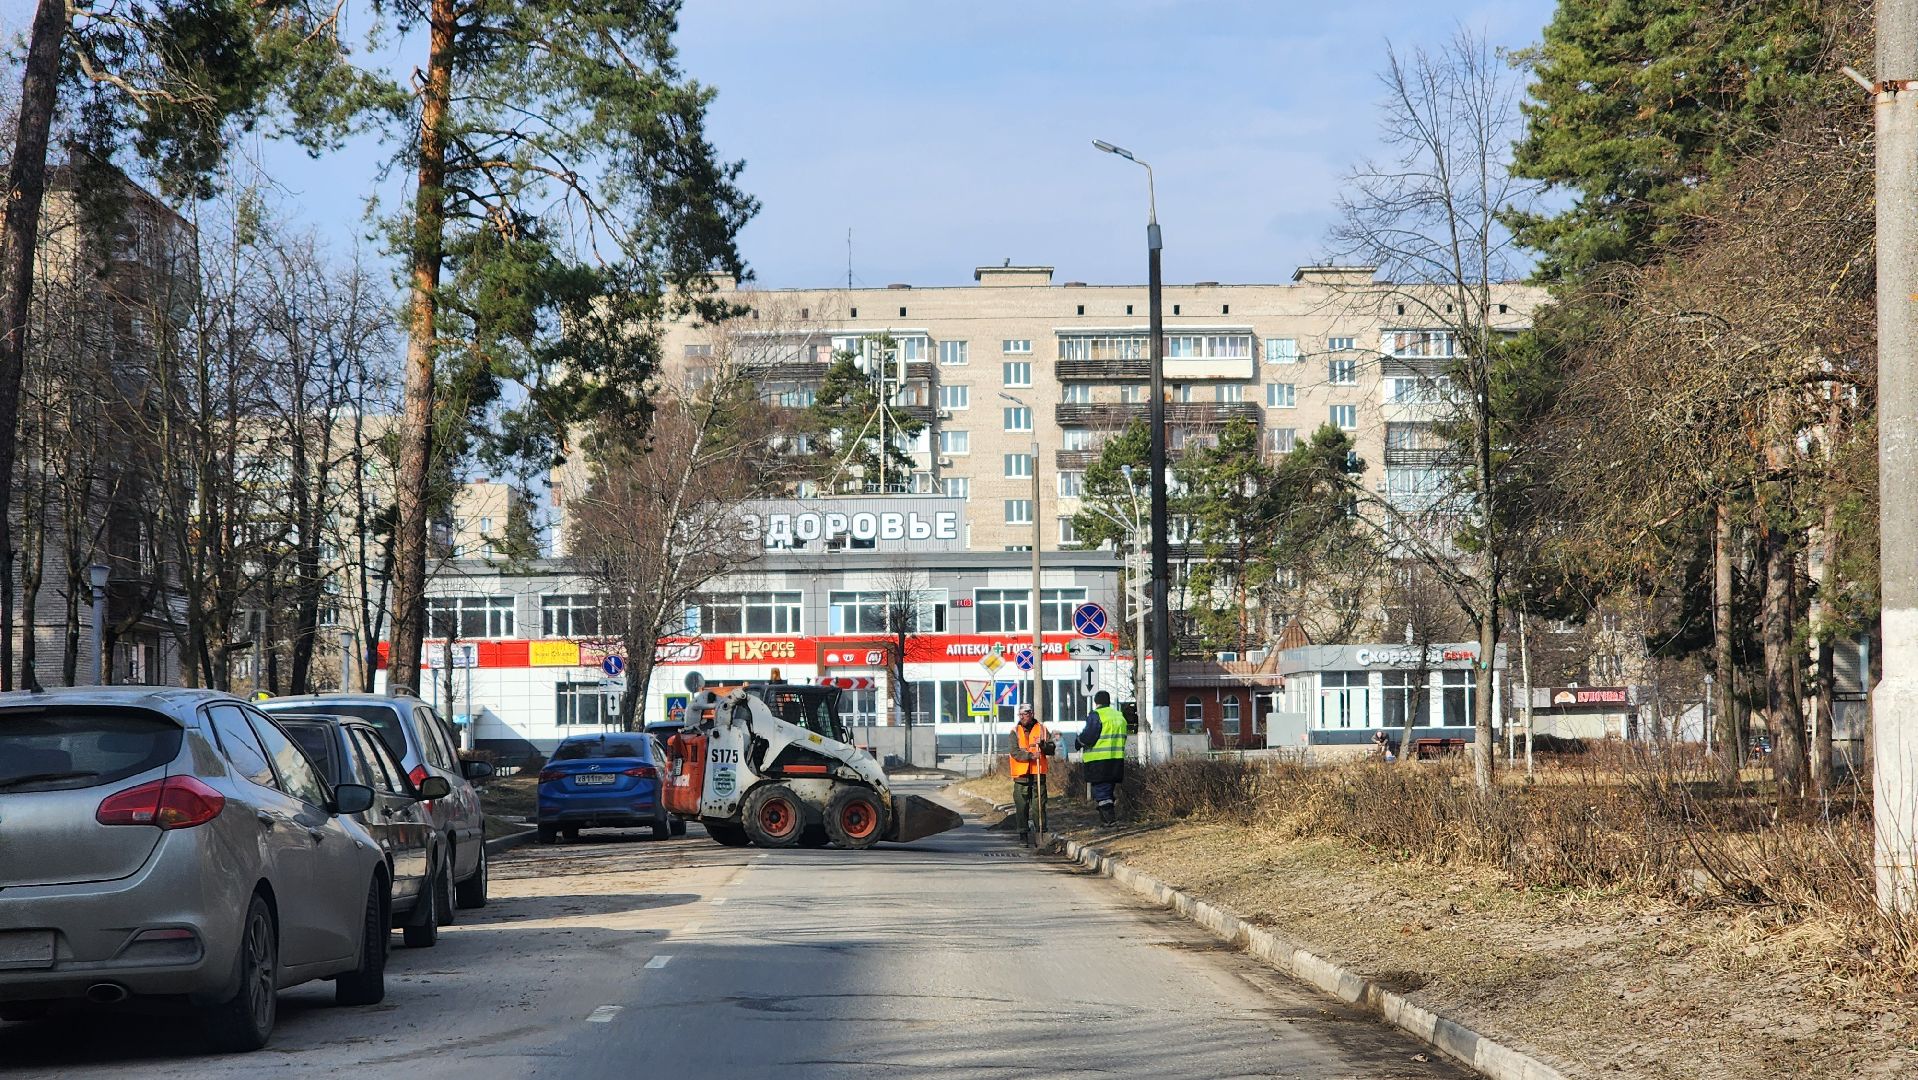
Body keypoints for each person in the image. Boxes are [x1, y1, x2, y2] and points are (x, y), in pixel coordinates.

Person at [1076, 690, 1128, 826]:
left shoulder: (1096, 715)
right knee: (1108, 789)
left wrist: (1079, 742)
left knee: (1101, 790)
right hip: (1116, 760)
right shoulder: (1119, 716)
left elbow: (1089, 736)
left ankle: (1109, 820)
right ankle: (1106, 820)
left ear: (1096, 702)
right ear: (1108, 701)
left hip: (1098, 760)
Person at [1008, 705, 1054, 845]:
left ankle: (1040, 834)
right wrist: (1030, 756)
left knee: (1039, 806)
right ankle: (1023, 834)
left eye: (1025, 714)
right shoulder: (1014, 731)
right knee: (1021, 807)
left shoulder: (1042, 730)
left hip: (1037, 775)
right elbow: (1014, 752)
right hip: (1021, 776)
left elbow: (1051, 749)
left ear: (1031, 714)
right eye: (1020, 714)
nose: (1022, 717)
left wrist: (1043, 745)